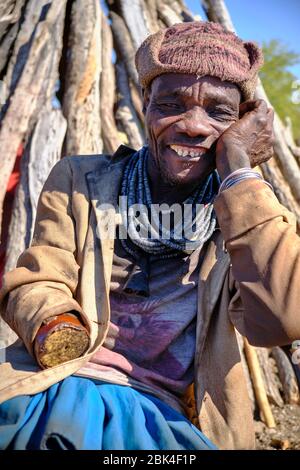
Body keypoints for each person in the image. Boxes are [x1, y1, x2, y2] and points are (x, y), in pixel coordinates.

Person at [0, 21, 300, 451]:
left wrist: (237, 171)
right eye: (171, 105)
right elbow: (36, 279)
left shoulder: (246, 214)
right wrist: (59, 327)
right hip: (63, 378)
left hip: (163, 410)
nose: (193, 126)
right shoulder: (81, 180)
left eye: (218, 113)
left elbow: (284, 319)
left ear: (243, 124)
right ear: (145, 104)